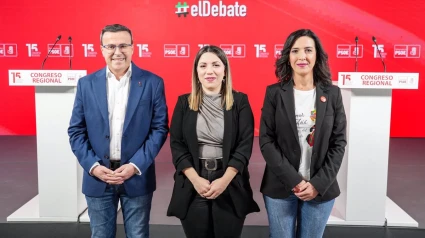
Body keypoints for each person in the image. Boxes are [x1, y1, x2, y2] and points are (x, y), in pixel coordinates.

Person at [68, 24, 168, 238]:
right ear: (102, 49)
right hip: (98, 177)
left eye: (123, 45)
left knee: (138, 235)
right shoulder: (86, 84)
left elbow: (159, 129)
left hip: (136, 176)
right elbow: (76, 131)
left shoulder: (153, 83)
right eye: (111, 46)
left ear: (133, 47)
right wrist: (93, 166)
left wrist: (135, 165)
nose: (117, 52)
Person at [259, 29, 347, 238]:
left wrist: (317, 184)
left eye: (308, 50)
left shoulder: (332, 93)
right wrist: (294, 181)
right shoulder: (274, 93)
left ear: (317, 56)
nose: (302, 56)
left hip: (320, 187)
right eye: (295, 51)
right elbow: (266, 140)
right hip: (281, 185)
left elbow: (338, 143)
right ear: (287, 57)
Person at [167, 45, 259, 238]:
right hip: (193, 181)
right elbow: (177, 144)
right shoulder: (184, 103)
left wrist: (224, 180)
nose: (210, 71)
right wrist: (195, 179)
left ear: (225, 70)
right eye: (203, 66)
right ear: (196, 72)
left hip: (230, 181)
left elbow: (245, 145)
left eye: (216, 65)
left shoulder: (240, 101)